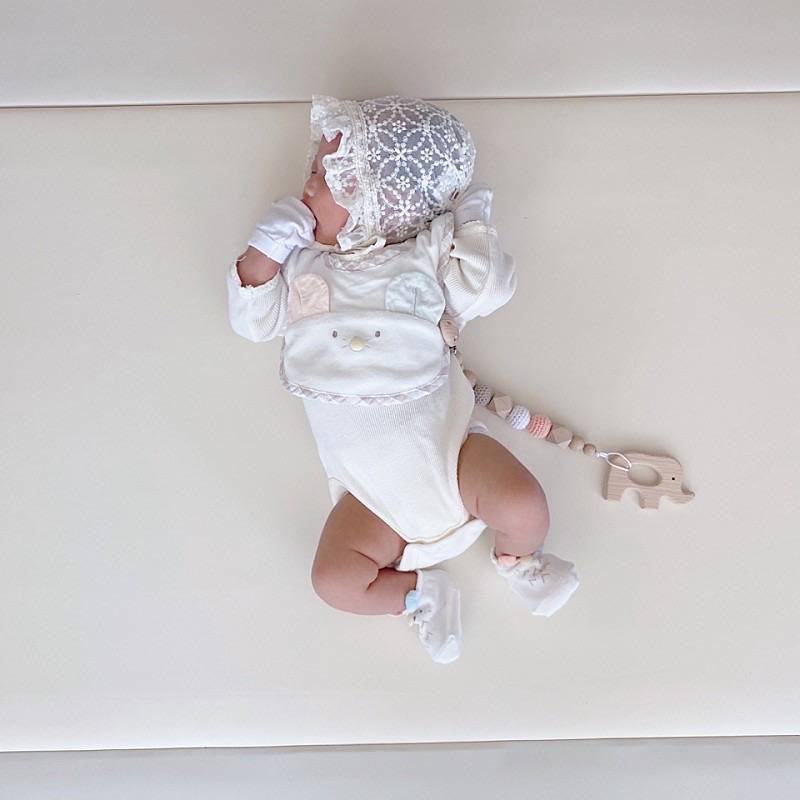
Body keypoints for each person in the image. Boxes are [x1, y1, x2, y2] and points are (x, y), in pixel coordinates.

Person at [227, 95, 578, 664]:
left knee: (523, 504)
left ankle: (520, 558)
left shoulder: (425, 255)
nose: (305, 188)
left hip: (452, 460)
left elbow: (488, 288)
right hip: (371, 499)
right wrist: (266, 248)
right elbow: (251, 320)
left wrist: (473, 226)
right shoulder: (300, 265)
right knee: (335, 580)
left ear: (379, 201)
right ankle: (420, 594)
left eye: (323, 176)